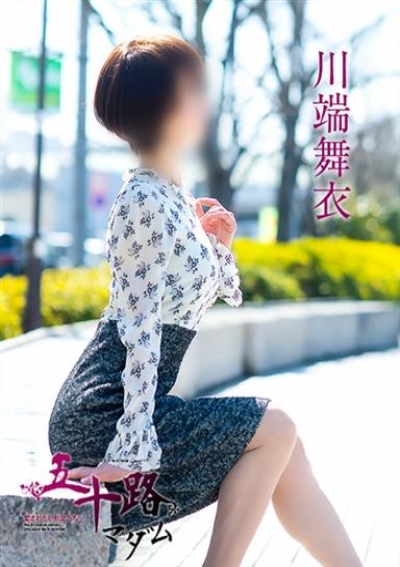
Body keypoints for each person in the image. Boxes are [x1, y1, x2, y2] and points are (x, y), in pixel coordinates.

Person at [48, 36, 363, 567]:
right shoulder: (142, 200)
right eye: (193, 89)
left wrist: (217, 246)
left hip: (135, 403)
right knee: (276, 427)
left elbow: (186, 298)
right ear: (164, 106)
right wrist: (128, 451)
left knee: (286, 451)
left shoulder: (172, 194)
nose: (204, 101)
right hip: (106, 415)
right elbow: (141, 329)